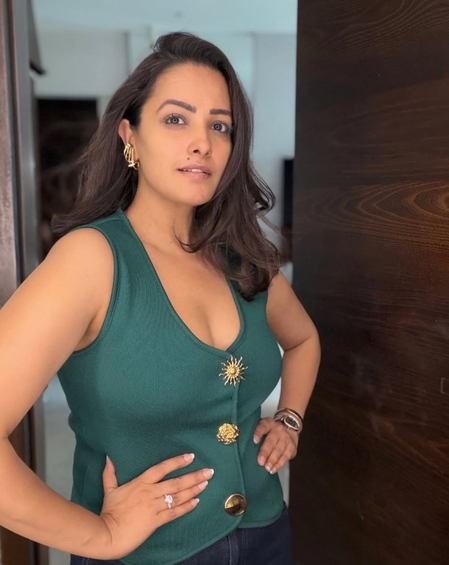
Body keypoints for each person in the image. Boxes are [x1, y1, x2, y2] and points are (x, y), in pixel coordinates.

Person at [0, 32, 320, 565]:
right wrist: (100, 536)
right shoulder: (92, 259)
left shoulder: (243, 256)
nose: (202, 143)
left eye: (220, 125)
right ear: (130, 135)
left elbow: (304, 339)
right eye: (176, 119)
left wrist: (289, 419)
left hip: (266, 534)